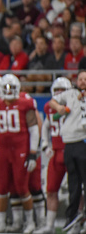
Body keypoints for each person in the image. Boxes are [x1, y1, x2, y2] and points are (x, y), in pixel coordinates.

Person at [0, 74, 39, 233]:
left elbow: (34, 130)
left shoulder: (25, 104)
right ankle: (1, 222)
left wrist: (32, 153)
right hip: (2, 150)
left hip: (20, 150)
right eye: (6, 88)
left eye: (12, 88)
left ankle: (30, 222)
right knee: (1, 187)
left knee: (22, 187)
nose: (9, 91)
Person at [47, 70, 86, 232]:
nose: (83, 81)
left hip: (83, 142)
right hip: (69, 143)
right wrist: (60, 108)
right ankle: (73, 218)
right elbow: (52, 102)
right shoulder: (70, 93)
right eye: (81, 79)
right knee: (74, 184)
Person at [36, 77, 72, 234]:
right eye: (57, 90)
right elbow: (46, 125)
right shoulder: (49, 107)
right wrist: (45, 144)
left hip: (72, 151)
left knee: (77, 191)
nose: (59, 94)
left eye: (62, 90)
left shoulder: (76, 106)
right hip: (56, 152)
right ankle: (49, 226)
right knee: (51, 189)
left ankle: (76, 223)